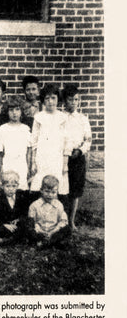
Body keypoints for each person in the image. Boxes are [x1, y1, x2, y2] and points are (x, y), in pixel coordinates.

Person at [29, 83, 70, 203]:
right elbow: (34, 141)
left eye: (53, 98)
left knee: (57, 187)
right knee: (40, 185)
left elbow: (67, 142)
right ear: (43, 100)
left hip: (57, 158)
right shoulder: (38, 117)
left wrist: (65, 163)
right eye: (47, 98)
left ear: (58, 99)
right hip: (42, 158)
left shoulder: (63, 118)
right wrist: (33, 163)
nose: (50, 101)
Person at [62, 84, 92, 229]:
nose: (73, 102)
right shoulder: (61, 118)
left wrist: (80, 151)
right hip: (63, 156)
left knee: (75, 190)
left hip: (77, 156)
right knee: (63, 188)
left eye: (76, 99)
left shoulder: (82, 119)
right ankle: (61, 220)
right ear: (64, 101)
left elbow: (88, 140)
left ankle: (71, 221)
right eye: (70, 99)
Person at [0, 96, 32, 191]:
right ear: (7, 112)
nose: (14, 113)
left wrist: (29, 167)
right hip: (8, 163)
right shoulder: (3, 128)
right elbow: (0, 152)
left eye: (17, 109)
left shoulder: (25, 129)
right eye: (11, 110)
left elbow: (29, 151)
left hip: (21, 164)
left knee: (21, 189)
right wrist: (1, 168)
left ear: (21, 111)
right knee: (8, 188)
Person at [27, 175, 70, 247]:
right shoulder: (35, 205)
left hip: (53, 231)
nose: (50, 195)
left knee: (67, 229)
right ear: (41, 190)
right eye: (47, 191)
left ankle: (47, 242)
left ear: (57, 192)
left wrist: (52, 232)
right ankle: (46, 242)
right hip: (40, 231)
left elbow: (63, 221)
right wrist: (40, 231)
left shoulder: (59, 205)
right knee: (28, 227)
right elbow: (32, 222)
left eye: (53, 192)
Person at [0, 171, 30, 244]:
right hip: (4, 225)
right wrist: (4, 224)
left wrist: (19, 219)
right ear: (2, 186)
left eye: (13, 186)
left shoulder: (21, 196)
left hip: (16, 225)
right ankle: (16, 239)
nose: (11, 189)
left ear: (17, 186)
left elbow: (25, 212)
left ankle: (8, 240)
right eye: (8, 186)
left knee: (27, 224)